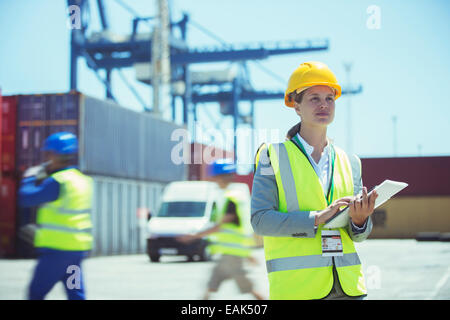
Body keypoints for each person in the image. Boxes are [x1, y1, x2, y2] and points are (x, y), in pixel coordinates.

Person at [251, 61, 379, 300]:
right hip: (298, 290)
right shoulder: (271, 156)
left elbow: (359, 235)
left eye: (329, 98)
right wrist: (316, 218)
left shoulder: (350, 162)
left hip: (349, 287)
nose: (324, 105)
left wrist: (361, 220)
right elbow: (260, 220)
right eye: (314, 98)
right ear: (296, 106)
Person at [18, 132, 93, 300]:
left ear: (55, 155)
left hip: (56, 254)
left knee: (36, 293)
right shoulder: (82, 181)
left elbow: (26, 198)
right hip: (76, 253)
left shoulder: (58, 181)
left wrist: (29, 178)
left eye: (47, 154)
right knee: (75, 294)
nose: (46, 158)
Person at [178, 159, 264, 300]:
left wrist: (193, 236)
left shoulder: (231, 199)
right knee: (212, 286)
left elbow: (220, 227)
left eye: (215, 177)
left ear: (221, 177)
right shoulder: (233, 196)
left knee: (247, 288)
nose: (213, 180)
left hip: (232, 257)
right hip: (229, 254)